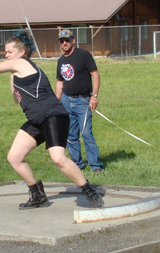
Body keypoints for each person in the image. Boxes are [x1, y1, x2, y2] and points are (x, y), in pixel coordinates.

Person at [0, 31, 104, 209]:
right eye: (5, 52)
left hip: (53, 116)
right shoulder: (15, 71)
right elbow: (17, 100)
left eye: (9, 52)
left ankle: (88, 190)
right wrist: (13, 80)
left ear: (21, 52)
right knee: (14, 157)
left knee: (58, 158)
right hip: (37, 119)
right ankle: (37, 194)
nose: (6, 55)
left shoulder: (21, 63)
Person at [55, 29, 103, 173]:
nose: (64, 43)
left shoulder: (83, 55)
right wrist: (56, 103)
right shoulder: (61, 61)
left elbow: (95, 75)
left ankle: (95, 165)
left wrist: (94, 96)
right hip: (66, 100)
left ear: (73, 40)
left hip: (82, 100)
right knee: (70, 135)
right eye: (62, 41)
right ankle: (77, 164)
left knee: (86, 133)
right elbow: (59, 82)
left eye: (67, 40)